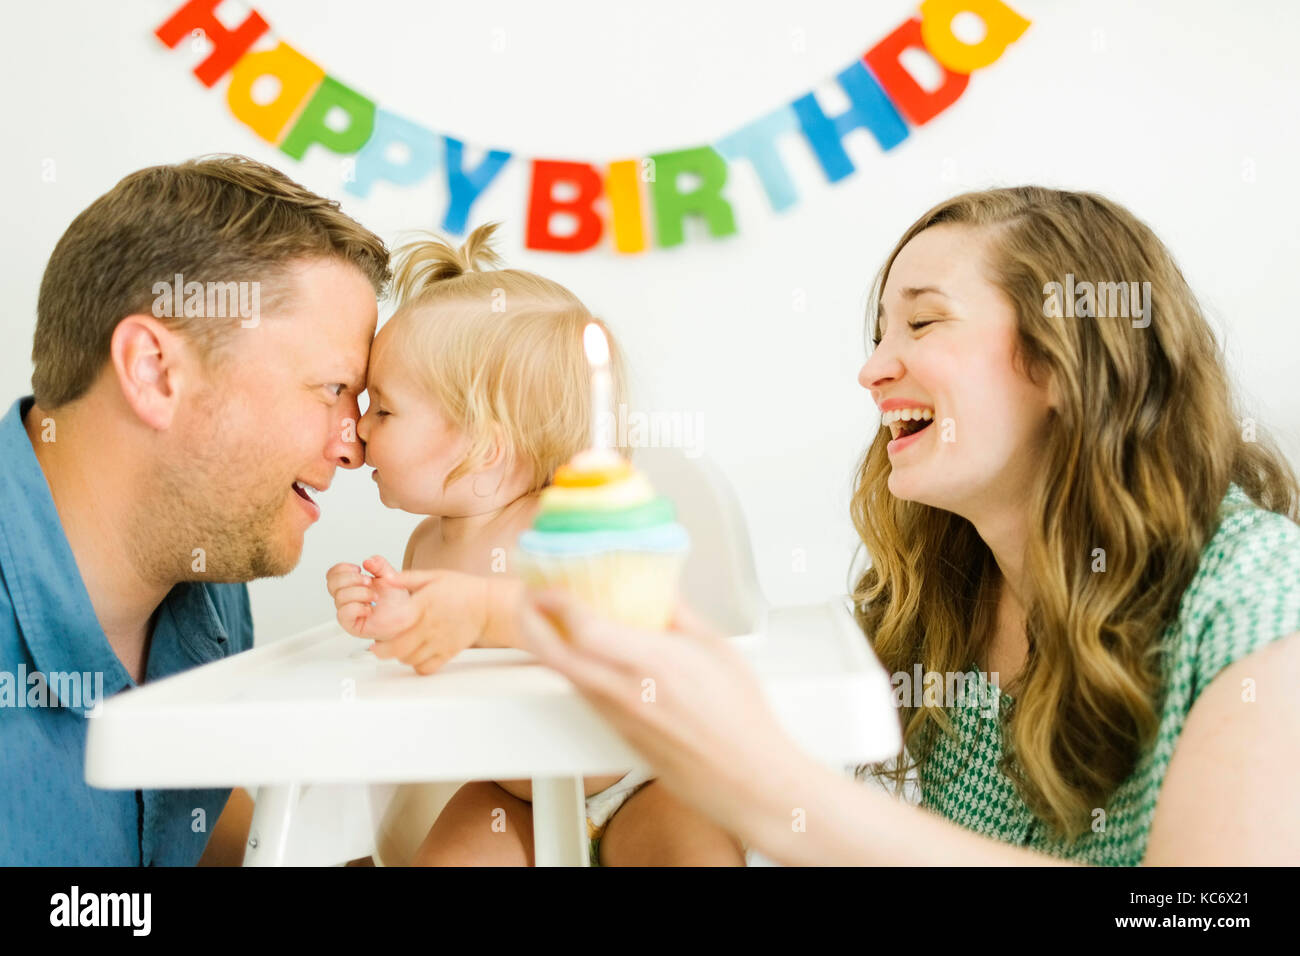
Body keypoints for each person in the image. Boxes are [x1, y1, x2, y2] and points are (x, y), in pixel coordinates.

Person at [518, 186, 1300, 865]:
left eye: (924, 325)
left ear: (1067, 359)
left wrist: (777, 794)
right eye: (880, 335)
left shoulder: (1258, 599)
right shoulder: (945, 594)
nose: (873, 369)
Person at [0, 155, 390, 865]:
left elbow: (174, 816)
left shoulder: (207, 575)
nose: (354, 446)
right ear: (154, 371)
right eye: (332, 387)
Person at [325, 223, 745, 866]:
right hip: (510, 792)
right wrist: (385, 618)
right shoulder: (422, 546)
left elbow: (615, 623)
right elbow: (429, 666)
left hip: (646, 778)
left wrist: (483, 611)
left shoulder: (568, 524)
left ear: (485, 446)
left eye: (382, 410)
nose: (358, 425)